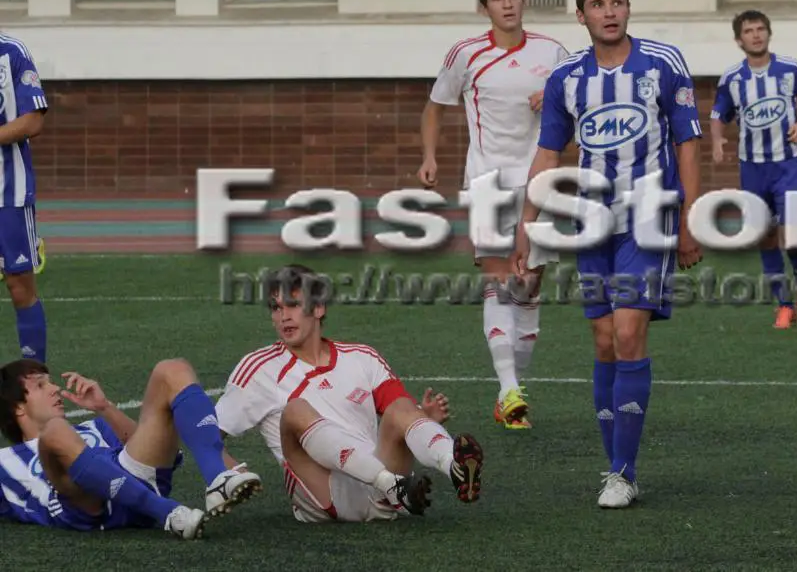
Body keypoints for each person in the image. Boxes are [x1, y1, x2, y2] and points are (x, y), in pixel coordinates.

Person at [512, 0, 703, 510]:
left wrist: (688, 218)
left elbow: (688, 142)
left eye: (618, 1)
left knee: (626, 335)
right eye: (597, 4)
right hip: (590, 221)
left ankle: (623, 471)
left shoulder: (663, 63)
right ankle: (613, 466)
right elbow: (549, 154)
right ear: (582, 16)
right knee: (601, 342)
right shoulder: (566, 78)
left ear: (628, 7)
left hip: (649, 216)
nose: (610, 11)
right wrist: (527, 225)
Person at [214, 264, 483, 523]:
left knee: (400, 406)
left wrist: (422, 417)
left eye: (293, 304)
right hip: (324, 493)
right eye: (276, 307)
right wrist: (232, 472)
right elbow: (207, 433)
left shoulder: (362, 357)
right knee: (295, 409)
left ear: (318, 308)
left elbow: (401, 414)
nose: (284, 316)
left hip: (382, 483)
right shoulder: (259, 367)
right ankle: (391, 485)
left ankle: (453, 466)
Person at [419, 0, 569, 431]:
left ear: (524, 2)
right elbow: (434, 106)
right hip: (487, 179)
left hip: (540, 180)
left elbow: (578, 105)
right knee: (500, 280)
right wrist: (429, 157)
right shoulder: (466, 53)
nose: (507, 4)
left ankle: (511, 390)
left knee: (529, 287)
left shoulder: (553, 52)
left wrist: (556, 99)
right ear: (485, 8)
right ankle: (508, 388)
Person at [0, 356, 263, 538]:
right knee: (55, 432)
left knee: (172, 368)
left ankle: (217, 477)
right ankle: (168, 512)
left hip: (130, 480)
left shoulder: (93, 427)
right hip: (80, 505)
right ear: (18, 407)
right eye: (41, 385)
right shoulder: (6, 461)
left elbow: (153, 451)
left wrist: (105, 408)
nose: (55, 388)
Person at [709, 9, 797, 329]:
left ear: (768, 33)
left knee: (795, 232)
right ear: (738, 39)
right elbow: (718, 114)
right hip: (752, 168)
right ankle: (783, 306)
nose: (756, 35)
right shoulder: (732, 79)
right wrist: (717, 141)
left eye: (760, 29)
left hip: (788, 163)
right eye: (749, 31)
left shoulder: (790, 69)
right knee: (766, 236)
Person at [0, 33, 49, 363]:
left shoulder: (12, 53)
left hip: (9, 192)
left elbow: (33, 121)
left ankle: (34, 376)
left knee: (20, 287)